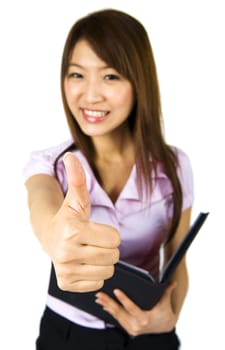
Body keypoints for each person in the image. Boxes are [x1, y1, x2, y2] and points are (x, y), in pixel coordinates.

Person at [23, 8, 194, 350]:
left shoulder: (175, 165)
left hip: (150, 336)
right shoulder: (51, 164)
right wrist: (55, 237)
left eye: (111, 76)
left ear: (139, 82)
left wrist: (169, 316)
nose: (90, 95)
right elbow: (43, 211)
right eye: (76, 74)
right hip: (69, 336)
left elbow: (177, 261)